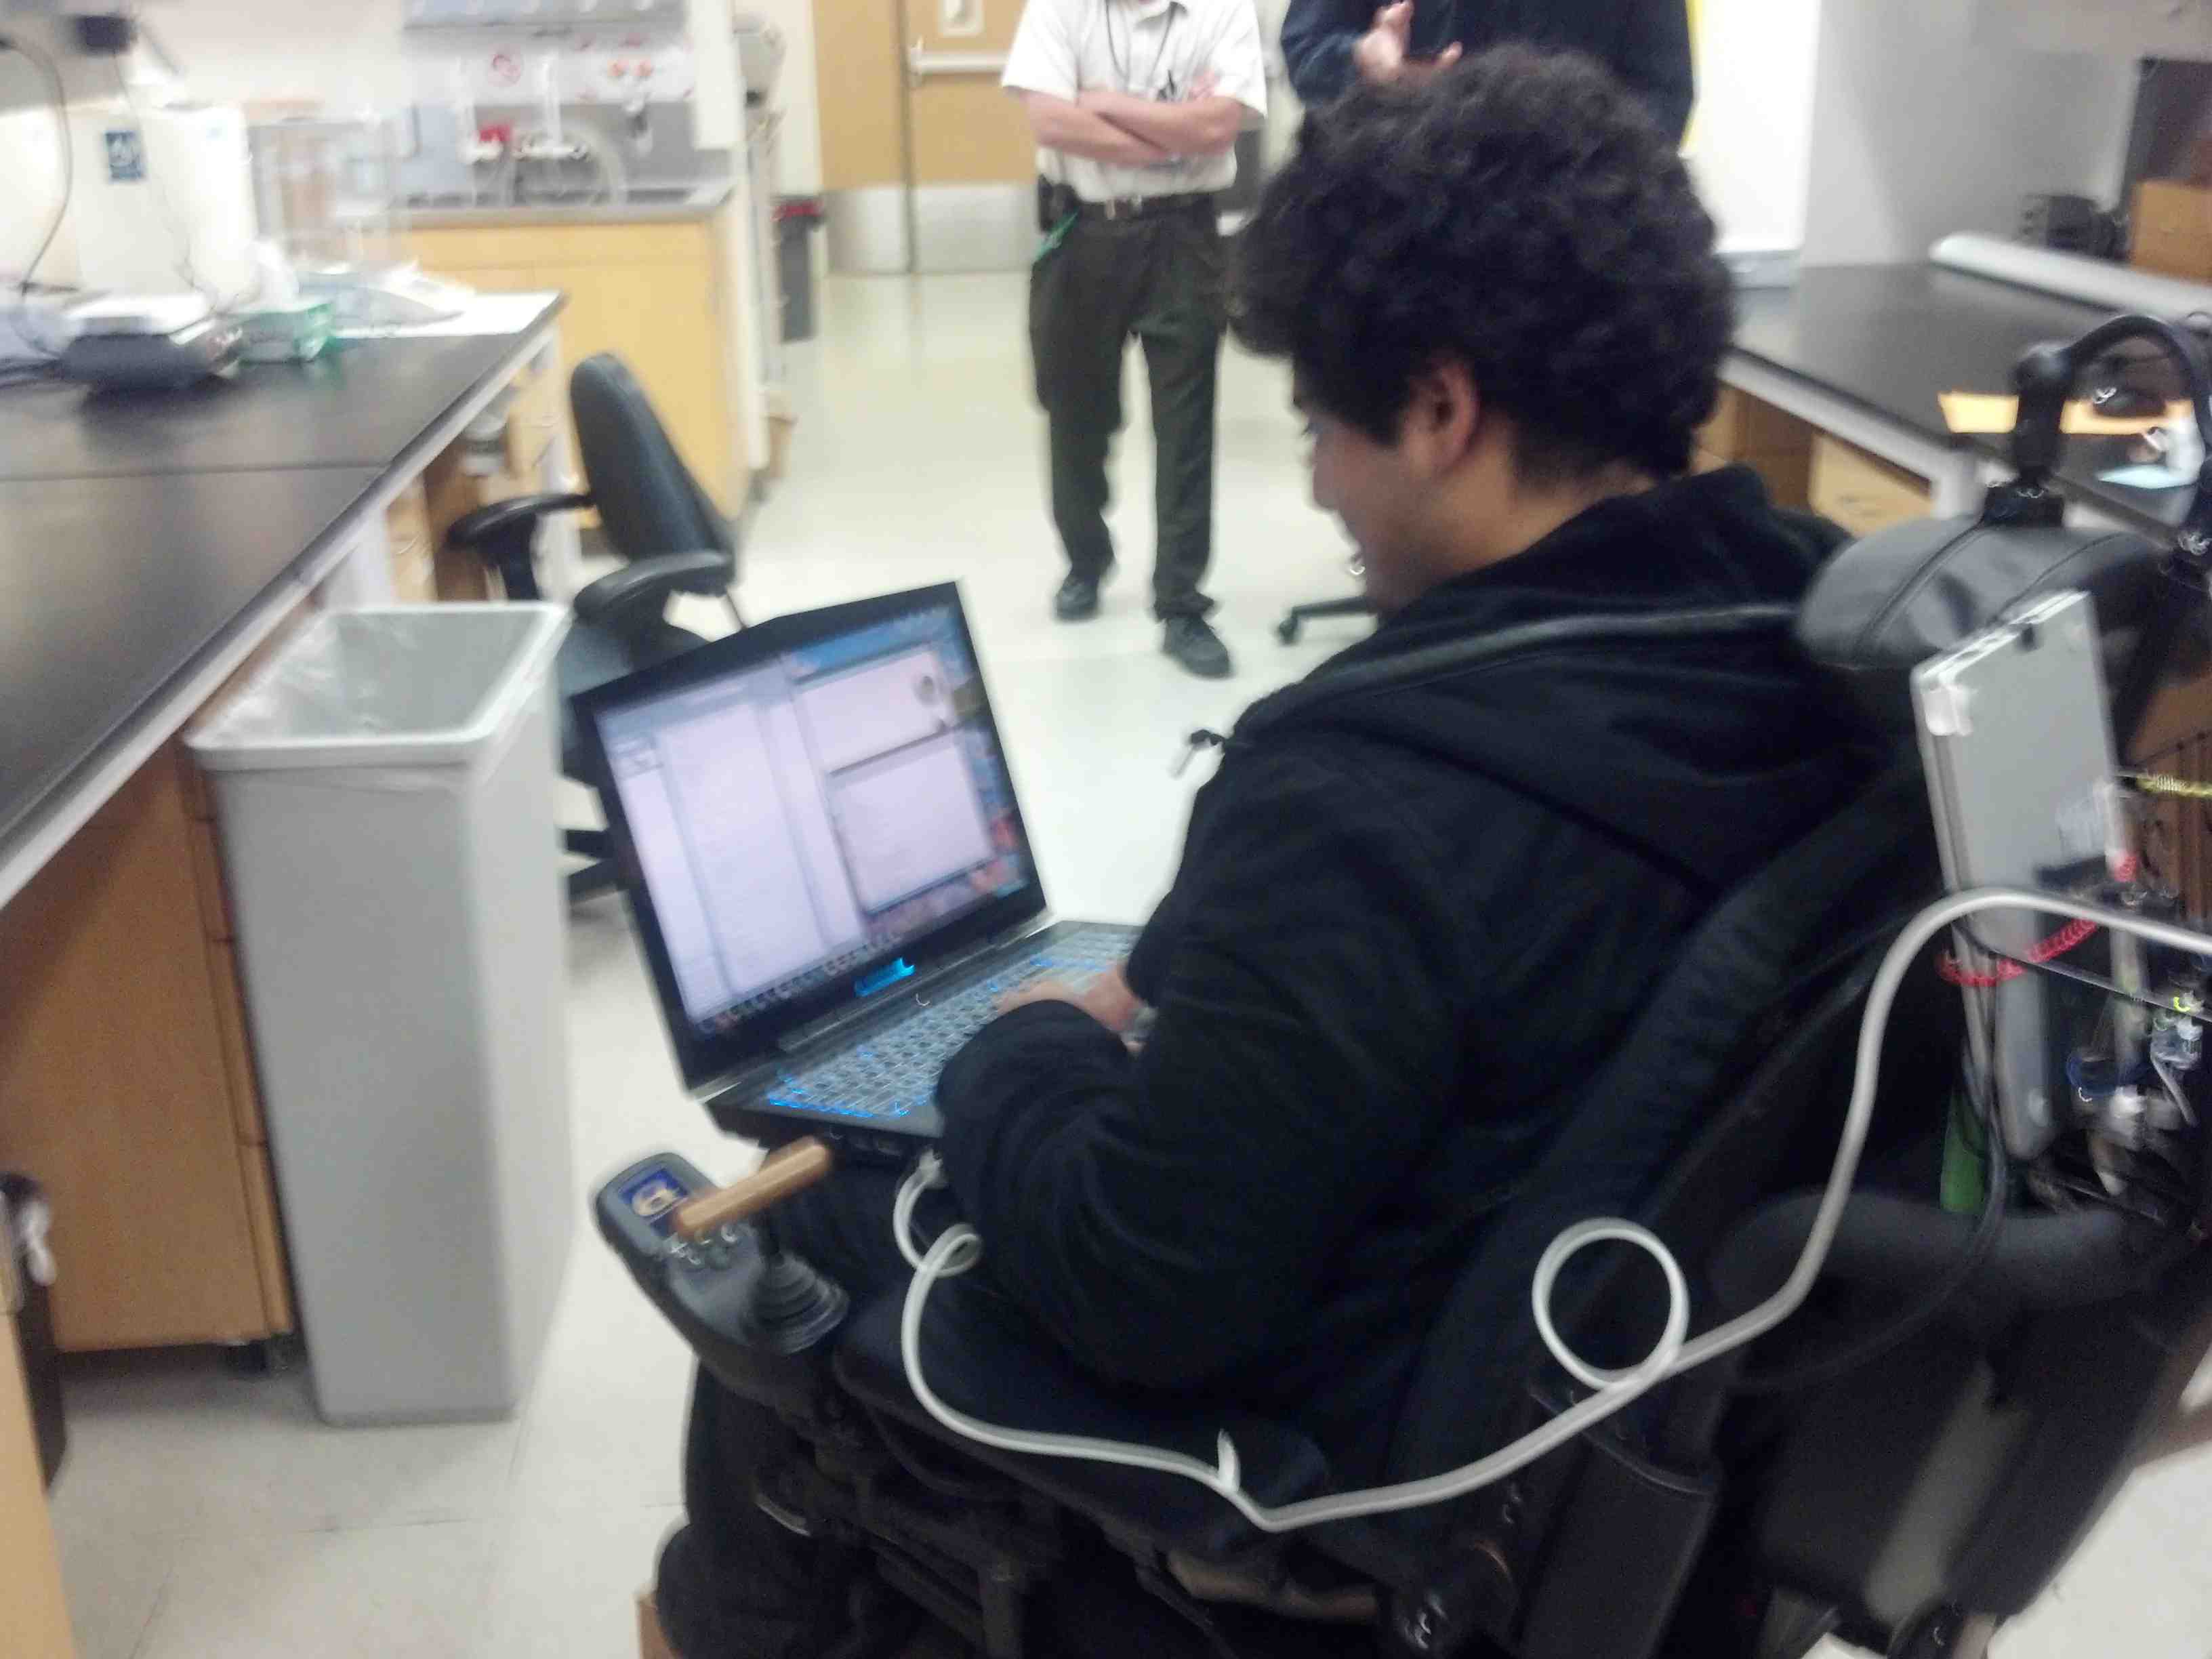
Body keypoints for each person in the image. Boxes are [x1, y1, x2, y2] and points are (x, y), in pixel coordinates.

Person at [653, 49, 1865, 1658]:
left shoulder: (1371, 794)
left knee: (785, 1234)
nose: (1316, 483)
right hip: (1625, 1419)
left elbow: (1140, 1284)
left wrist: (1018, 1046)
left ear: (1439, 410)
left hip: (1343, 1496)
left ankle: (735, 1628)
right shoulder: (1809, 634)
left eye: (1320, 427)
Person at [1000, 0, 1268, 680]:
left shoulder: (1222, 10)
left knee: (1186, 425)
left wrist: (1105, 104)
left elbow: (1220, 126)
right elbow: (1051, 120)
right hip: (1082, 233)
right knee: (1075, 411)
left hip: (1185, 235)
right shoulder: (1060, 9)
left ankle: (1181, 604)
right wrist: (1174, 137)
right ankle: (1086, 559)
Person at [1281, 0, 1694, 143]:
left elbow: (1663, 94)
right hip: (1401, 222)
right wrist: (1361, 61)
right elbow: (1307, 48)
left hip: (1574, 236)